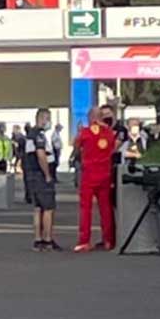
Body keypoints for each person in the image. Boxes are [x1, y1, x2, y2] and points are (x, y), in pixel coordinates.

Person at [73, 107, 117, 252]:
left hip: (89, 175)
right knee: (105, 207)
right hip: (104, 174)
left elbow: (76, 147)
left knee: (86, 208)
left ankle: (84, 241)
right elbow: (112, 148)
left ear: (90, 117)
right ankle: (108, 240)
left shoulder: (84, 132)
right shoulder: (109, 132)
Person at [25, 108, 60, 252]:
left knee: (38, 208)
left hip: (32, 175)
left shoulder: (31, 134)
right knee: (48, 208)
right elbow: (41, 155)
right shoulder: (38, 135)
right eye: (48, 118)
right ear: (42, 118)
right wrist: (47, 174)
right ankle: (47, 239)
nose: (49, 122)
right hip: (40, 175)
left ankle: (38, 239)